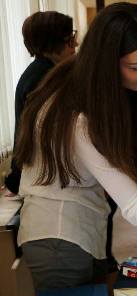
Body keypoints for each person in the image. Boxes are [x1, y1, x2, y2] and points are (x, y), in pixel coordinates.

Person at [14, 3, 137, 291]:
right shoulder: (78, 117)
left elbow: (127, 182)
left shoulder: (80, 87)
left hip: (78, 238)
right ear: (107, 63)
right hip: (61, 243)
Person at [4, 11, 78, 196]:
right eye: (70, 40)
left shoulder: (41, 71)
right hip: (38, 180)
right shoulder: (43, 77)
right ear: (51, 45)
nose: (75, 44)